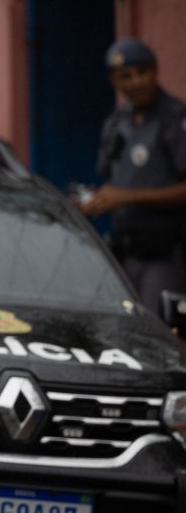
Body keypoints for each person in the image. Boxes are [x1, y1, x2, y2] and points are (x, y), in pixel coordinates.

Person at [76, 37, 186, 317]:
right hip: (124, 252)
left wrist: (126, 198)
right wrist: (94, 201)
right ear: (114, 81)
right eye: (126, 76)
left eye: (143, 73)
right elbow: (114, 181)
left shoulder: (174, 118)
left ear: (155, 72)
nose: (136, 82)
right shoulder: (117, 121)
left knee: (158, 333)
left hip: (164, 253)